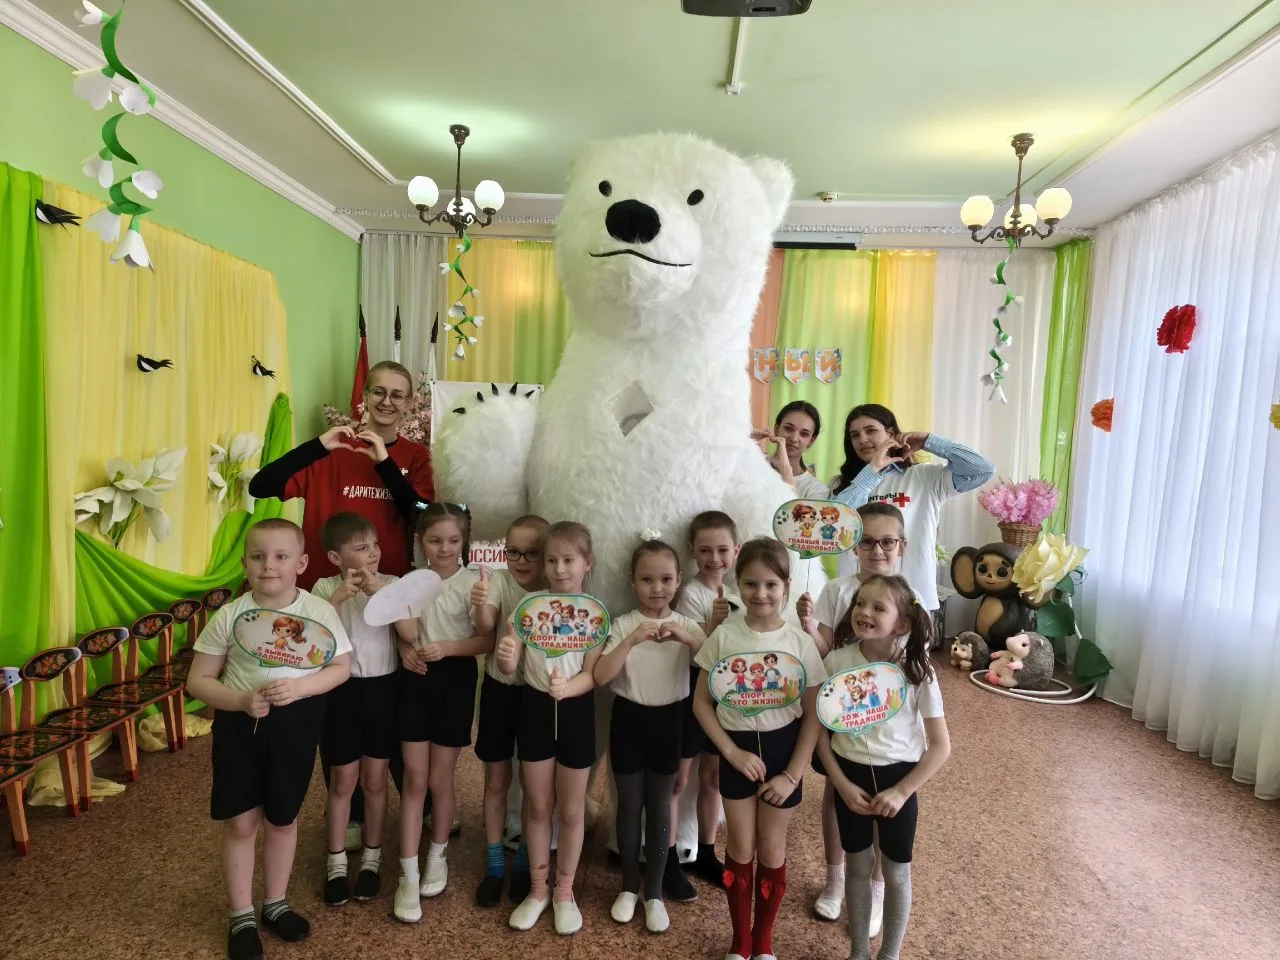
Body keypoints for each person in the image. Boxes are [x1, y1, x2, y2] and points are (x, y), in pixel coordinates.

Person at [249, 360, 433, 847]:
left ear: (409, 404)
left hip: (387, 599)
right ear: (364, 397)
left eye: (398, 394)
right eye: (379, 392)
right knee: (336, 712)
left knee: (392, 704)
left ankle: (415, 801)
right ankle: (349, 811)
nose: (387, 401)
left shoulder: (414, 456)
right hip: (329, 602)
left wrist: (384, 462)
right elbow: (260, 486)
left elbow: (420, 514)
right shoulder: (330, 452)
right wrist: (317, 446)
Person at [186, 519, 352, 960]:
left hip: (296, 726)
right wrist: (240, 700)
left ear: (302, 563)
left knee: (282, 818)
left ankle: (275, 903)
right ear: (245, 563)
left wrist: (300, 688)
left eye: (281, 557)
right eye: (258, 557)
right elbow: (198, 681)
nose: (269, 566)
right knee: (241, 823)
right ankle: (241, 916)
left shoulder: (319, 612)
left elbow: (341, 668)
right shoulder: (229, 615)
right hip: (240, 727)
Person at [693, 538, 826, 960]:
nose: (761, 593)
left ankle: (763, 941)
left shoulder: (800, 643)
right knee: (739, 847)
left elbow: (813, 714)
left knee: (771, 848)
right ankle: (741, 942)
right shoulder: (723, 637)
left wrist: (792, 775)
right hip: (736, 749)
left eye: (771, 584)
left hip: (784, 752)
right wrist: (731, 753)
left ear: (786, 585)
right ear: (737, 583)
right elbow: (701, 704)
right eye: (750, 584)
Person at [796, 502, 920, 927]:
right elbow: (827, 651)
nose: (877, 550)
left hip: (888, 726)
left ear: (901, 545)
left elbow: (914, 662)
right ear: (853, 544)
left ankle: (878, 890)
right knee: (839, 794)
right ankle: (836, 880)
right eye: (867, 541)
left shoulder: (910, 596)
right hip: (843, 715)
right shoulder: (837, 591)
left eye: (887, 542)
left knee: (887, 806)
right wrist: (809, 626)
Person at [815, 575, 951, 960]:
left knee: (896, 873)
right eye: (860, 603)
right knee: (857, 868)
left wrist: (902, 792)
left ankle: (889, 955)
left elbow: (941, 747)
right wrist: (840, 784)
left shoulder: (917, 669)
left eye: (878, 607)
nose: (864, 612)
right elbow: (819, 734)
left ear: (902, 622)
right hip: (850, 780)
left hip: (898, 781)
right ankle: (858, 952)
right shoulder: (837, 662)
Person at [495, 521, 602, 936]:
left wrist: (569, 688)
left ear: (587, 563)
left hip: (577, 710)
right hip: (535, 708)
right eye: (552, 560)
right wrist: (507, 653)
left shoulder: (594, 613)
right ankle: (538, 890)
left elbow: (592, 673)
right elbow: (511, 666)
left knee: (571, 809)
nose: (559, 569)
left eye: (568, 560)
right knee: (537, 806)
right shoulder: (529, 607)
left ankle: (564, 891)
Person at [594, 539, 705, 933]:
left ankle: (654, 893)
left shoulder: (688, 626)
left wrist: (688, 639)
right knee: (628, 805)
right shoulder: (623, 623)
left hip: (670, 722)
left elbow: (716, 666)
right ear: (632, 581)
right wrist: (631, 640)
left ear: (678, 580)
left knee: (660, 806)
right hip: (628, 719)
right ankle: (628, 887)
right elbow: (601, 676)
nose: (657, 588)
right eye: (647, 579)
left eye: (666, 579)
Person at [392, 503, 483, 923]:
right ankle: (407, 872)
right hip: (416, 681)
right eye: (435, 540)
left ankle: (437, 855)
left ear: (464, 541)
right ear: (420, 541)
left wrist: (448, 648)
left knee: (440, 779)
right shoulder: (409, 583)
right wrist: (405, 650)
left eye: (453, 540)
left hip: (456, 681)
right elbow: (403, 632)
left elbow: (485, 639)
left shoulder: (473, 584)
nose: (444, 548)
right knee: (414, 779)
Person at [830, 403, 994, 621]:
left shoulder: (925, 477)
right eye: (855, 435)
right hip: (856, 601)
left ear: (891, 434)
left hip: (912, 600)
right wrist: (872, 471)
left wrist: (929, 440)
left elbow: (983, 470)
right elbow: (836, 525)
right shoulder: (842, 485)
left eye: (870, 430)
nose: (862, 439)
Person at [311, 513, 398, 907]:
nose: (373, 553)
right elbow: (309, 638)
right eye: (362, 548)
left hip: (383, 690)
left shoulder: (392, 584)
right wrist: (336, 598)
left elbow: (409, 631)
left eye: (375, 544)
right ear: (336, 557)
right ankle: (336, 863)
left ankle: (372, 860)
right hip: (339, 692)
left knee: (376, 780)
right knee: (343, 780)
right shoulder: (322, 588)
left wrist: (384, 594)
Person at [469, 515, 551, 909]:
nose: (520, 561)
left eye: (531, 553)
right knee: (497, 778)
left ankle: (523, 863)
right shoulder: (499, 581)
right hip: (499, 691)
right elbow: (485, 631)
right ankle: (495, 863)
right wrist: (482, 603)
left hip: (538, 695)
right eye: (512, 552)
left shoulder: (554, 591)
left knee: (535, 787)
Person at [672, 510, 743, 889]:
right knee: (680, 779)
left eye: (722, 550)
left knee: (712, 778)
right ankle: (668, 856)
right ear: (692, 552)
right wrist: (713, 624)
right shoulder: (690, 594)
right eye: (705, 550)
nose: (714, 558)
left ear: (736, 550)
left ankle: (706, 851)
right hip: (691, 693)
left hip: (725, 698)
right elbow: (692, 649)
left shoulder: (740, 592)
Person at [753, 400, 830, 500]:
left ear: (811, 441)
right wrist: (744, 440)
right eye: (788, 429)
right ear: (776, 429)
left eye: (804, 434)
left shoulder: (817, 489)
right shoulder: (755, 463)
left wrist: (785, 469)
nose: (794, 439)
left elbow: (793, 510)